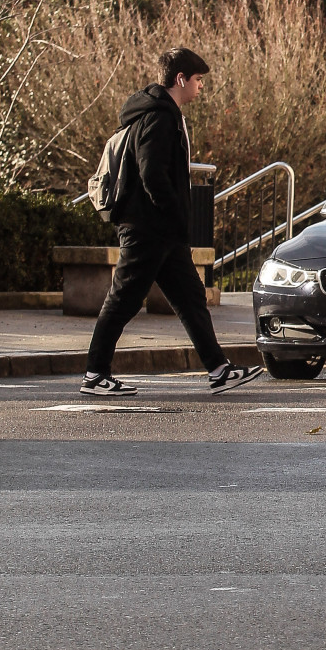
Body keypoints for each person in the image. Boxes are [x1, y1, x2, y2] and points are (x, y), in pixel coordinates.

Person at [81, 48, 264, 399]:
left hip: (161, 232)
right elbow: (152, 174)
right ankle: (94, 373)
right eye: (198, 81)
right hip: (148, 228)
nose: (200, 88)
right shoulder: (159, 117)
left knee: (191, 297)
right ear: (180, 79)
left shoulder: (157, 113)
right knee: (123, 299)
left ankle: (219, 369)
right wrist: (174, 214)